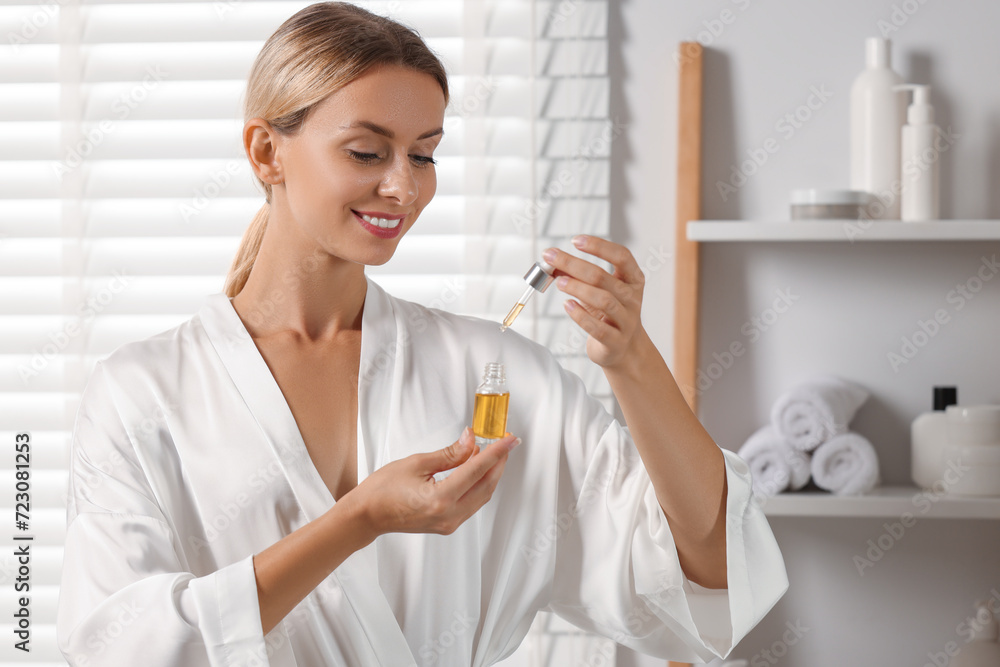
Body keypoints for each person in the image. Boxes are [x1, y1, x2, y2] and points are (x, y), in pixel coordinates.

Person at [55, 3, 789, 666]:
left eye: (425, 153)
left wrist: (632, 360)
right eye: (368, 153)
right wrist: (359, 520)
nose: (404, 189)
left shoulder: (493, 372)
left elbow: (709, 573)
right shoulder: (142, 391)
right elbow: (118, 644)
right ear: (265, 152)